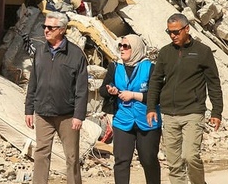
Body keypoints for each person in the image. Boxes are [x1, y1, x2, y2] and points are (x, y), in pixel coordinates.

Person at [146, 13, 223, 184]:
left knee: (190, 156)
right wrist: (151, 107)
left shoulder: (203, 52)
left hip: (193, 112)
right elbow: (156, 81)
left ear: (187, 29)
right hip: (170, 114)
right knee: (174, 164)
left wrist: (217, 112)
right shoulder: (165, 53)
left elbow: (214, 84)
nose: (173, 35)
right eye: (169, 32)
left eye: (176, 32)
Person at [24, 12, 89, 184]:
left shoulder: (75, 54)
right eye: (44, 27)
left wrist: (78, 115)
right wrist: (29, 110)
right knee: (41, 154)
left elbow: (82, 88)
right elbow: (33, 83)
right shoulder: (40, 51)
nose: (46, 30)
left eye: (50, 27)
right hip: (43, 113)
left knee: (72, 157)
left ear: (62, 29)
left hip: (67, 115)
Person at [99, 34, 161, 184]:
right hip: (123, 119)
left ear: (136, 49)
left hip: (147, 120)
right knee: (121, 160)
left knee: (148, 159)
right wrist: (111, 91)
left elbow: (157, 95)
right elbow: (103, 90)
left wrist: (133, 95)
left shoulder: (150, 68)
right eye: (120, 45)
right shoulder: (115, 66)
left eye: (126, 46)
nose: (122, 49)